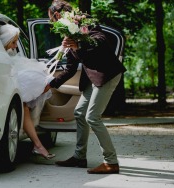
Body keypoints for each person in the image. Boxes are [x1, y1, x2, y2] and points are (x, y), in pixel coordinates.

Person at [45, 0, 127, 174]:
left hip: (107, 74)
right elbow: (70, 69)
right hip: (92, 78)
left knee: (92, 117)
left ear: (57, 15)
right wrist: (51, 84)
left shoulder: (84, 21)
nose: (50, 22)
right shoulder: (67, 33)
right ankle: (79, 157)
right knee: (79, 113)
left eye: (50, 17)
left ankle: (111, 162)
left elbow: (102, 41)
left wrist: (79, 44)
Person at [0, 24, 55, 160]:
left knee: (24, 106)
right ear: (5, 41)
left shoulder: (9, 54)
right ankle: (38, 145)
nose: (15, 46)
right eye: (13, 42)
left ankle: (38, 145)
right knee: (24, 106)